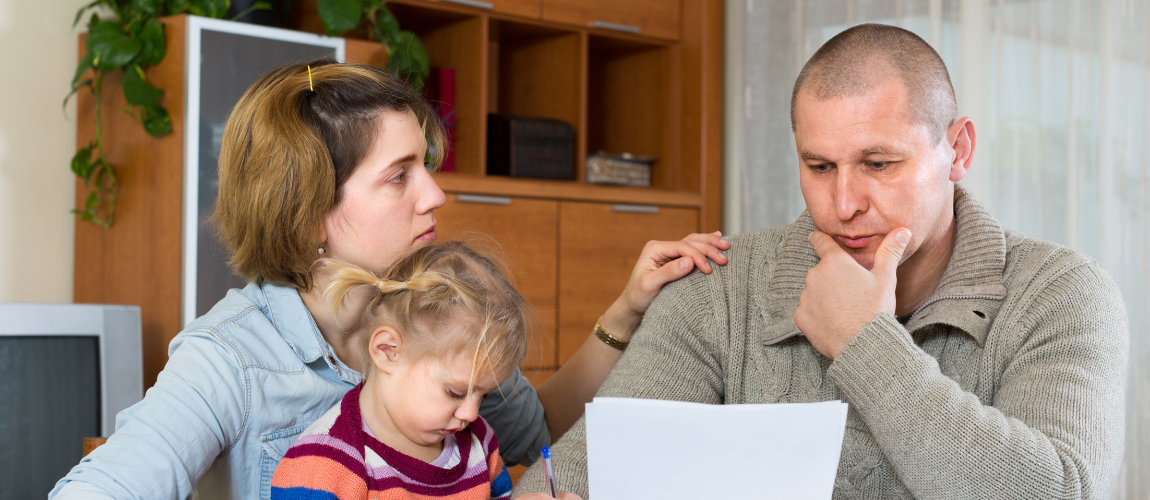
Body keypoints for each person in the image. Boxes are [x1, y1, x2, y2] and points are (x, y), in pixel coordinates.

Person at [49, 60, 729, 500]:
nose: (434, 194)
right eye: (401, 175)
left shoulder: (439, 304)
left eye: (426, 166)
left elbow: (537, 431)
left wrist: (628, 310)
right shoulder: (230, 357)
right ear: (313, 210)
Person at [514, 23, 1129, 500]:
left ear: (957, 148)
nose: (844, 204)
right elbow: (574, 479)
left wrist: (865, 343)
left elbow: (1057, 491)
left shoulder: (1063, 293)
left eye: (879, 164)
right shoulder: (718, 289)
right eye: (819, 166)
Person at [271, 243, 533, 499]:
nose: (471, 414)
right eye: (455, 392)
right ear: (387, 351)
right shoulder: (324, 467)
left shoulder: (480, 444)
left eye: (483, 395)